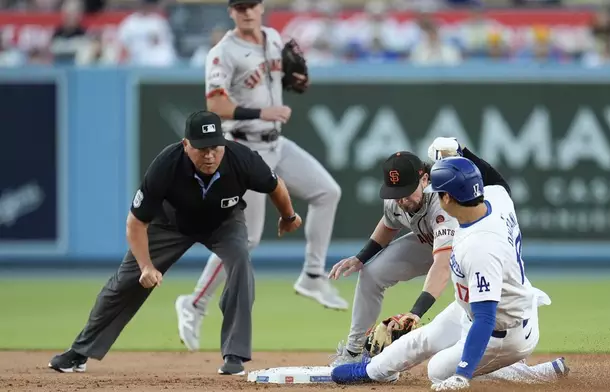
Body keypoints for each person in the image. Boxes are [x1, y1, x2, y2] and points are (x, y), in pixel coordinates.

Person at [48, 110, 302, 376]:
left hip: (224, 222)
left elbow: (276, 186)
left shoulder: (242, 158)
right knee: (126, 281)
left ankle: (234, 355)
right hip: (171, 224)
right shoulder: (166, 165)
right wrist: (146, 266)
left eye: (215, 146)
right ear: (185, 145)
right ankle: (79, 352)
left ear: (224, 142)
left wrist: (288, 216)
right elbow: (135, 223)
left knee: (240, 264)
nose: (209, 155)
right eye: (201, 148)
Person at [174, 0, 347, 353]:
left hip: (276, 143)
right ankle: (193, 303)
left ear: (262, 6)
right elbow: (215, 106)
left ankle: (313, 276)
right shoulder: (223, 52)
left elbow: (275, 77)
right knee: (247, 240)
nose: (247, 11)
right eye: (239, 6)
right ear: (230, 11)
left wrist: (292, 79)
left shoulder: (272, 37)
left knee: (327, 192)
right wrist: (262, 109)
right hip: (243, 149)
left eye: (252, 4)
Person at [331, 142, 570, 389]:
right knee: (420, 340)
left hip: (503, 330)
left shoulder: (479, 247)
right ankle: (370, 369)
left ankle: (530, 373)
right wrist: (461, 150)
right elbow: (497, 182)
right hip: (474, 308)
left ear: (447, 197)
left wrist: (462, 374)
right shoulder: (496, 199)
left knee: (438, 370)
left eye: (439, 190)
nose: (434, 194)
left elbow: (485, 318)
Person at [328, 150, 458, 366]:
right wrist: (361, 258)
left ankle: (501, 355)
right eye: (397, 193)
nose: (403, 199)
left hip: (471, 250)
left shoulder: (443, 200)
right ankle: (355, 352)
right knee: (371, 273)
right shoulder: (397, 200)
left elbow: (443, 266)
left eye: (407, 191)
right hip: (430, 242)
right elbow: (389, 224)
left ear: (424, 179)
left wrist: (415, 314)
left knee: (476, 302)